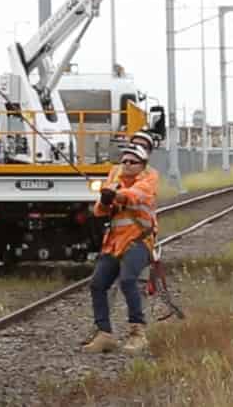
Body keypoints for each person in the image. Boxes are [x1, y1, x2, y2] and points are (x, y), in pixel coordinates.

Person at [83, 141, 159, 354]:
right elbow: (99, 211)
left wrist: (115, 195)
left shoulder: (148, 179)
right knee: (97, 284)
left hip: (139, 241)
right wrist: (105, 200)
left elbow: (136, 196)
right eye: (124, 161)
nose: (126, 164)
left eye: (131, 162)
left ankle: (138, 333)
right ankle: (104, 334)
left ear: (141, 165)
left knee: (127, 280)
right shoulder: (114, 178)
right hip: (114, 242)